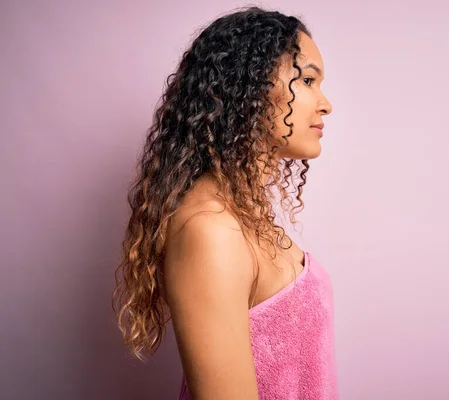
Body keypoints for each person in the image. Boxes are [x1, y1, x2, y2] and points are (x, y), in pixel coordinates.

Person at [112, 6, 337, 400]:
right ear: (248, 86)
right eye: (306, 80)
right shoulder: (210, 230)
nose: (325, 104)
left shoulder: (245, 215)